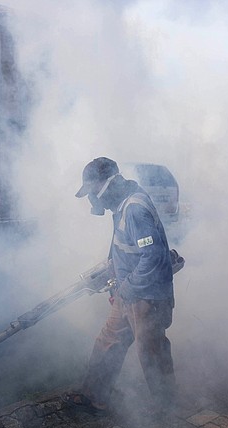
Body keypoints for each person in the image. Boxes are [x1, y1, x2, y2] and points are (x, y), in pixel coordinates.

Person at [67, 156, 176, 413]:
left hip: (148, 297)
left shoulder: (134, 208)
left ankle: (165, 406)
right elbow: (121, 246)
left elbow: (153, 258)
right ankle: (94, 395)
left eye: (92, 191)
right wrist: (113, 275)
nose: (92, 199)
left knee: (151, 351)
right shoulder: (121, 205)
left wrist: (125, 288)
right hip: (128, 292)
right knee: (108, 341)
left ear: (107, 184)